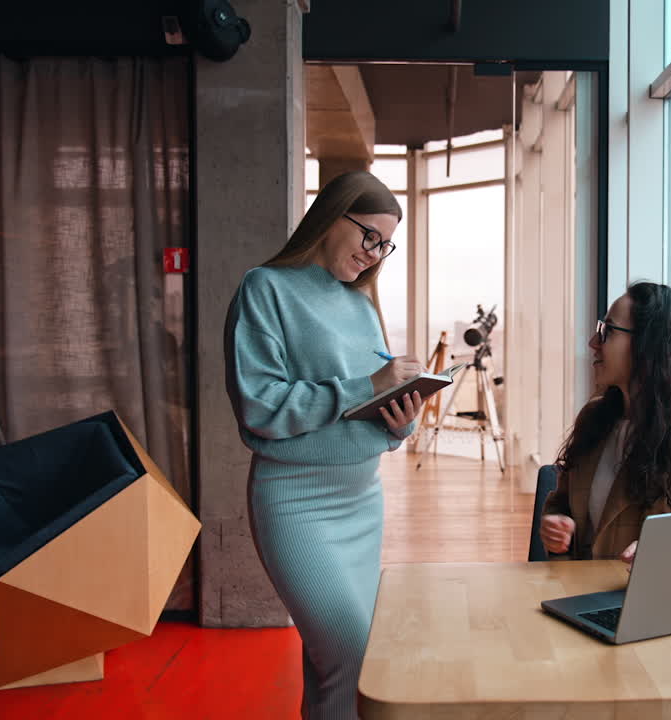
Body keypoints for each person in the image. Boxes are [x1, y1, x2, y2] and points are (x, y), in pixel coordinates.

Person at [224, 171, 424, 719]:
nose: (375, 254)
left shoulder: (360, 304)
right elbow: (259, 405)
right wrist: (367, 387)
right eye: (369, 237)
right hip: (296, 504)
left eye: (385, 245)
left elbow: (369, 412)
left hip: (362, 501)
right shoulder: (264, 289)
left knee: (332, 663)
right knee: (353, 656)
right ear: (331, 217)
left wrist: (401, 416)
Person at [539, 281, 671, 564]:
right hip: (576, 597)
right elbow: (563, 502)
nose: (593, 342)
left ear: (648, 346)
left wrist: (667, 546)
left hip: (647, 604)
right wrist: (557, 524)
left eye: (608, 331)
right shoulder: (594, 418)